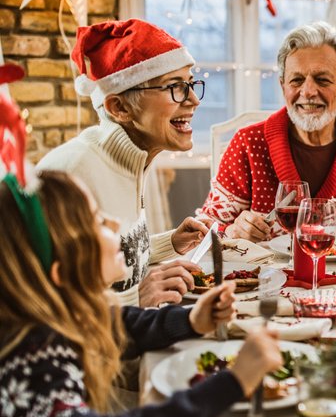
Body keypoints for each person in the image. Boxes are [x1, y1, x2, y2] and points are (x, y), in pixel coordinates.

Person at [0, 169, 283, 417]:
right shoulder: (34, 363)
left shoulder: (61, 314)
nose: (114, 223)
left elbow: (119, 325)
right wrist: (232, 382)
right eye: (98, 221)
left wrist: (191, 320)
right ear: (62, 273)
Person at [37, 19, 211, 308]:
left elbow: (110, 262)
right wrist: (136, 298)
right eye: (176, 87)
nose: (194, 99)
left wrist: (170, 243)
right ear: (119, 108)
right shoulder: (69, 175)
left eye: (191, 84)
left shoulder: (131, 160)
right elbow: (41, 303)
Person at [196, 21, 336, 241]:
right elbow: (203, 231)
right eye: (297, 80)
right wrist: (231, 231)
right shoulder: (249, 143)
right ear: (283, 87)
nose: (309, 91)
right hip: (263, 275)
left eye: (322, 80)